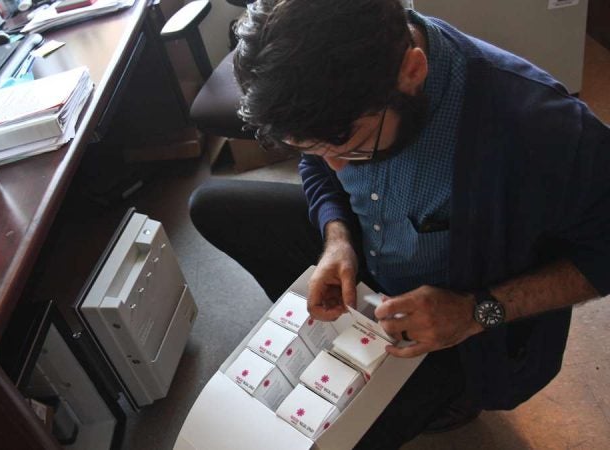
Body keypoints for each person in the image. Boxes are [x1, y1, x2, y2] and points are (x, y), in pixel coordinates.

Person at [189, 0, 610, 447]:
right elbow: (322, 161)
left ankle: (452, 394)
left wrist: (474, 312)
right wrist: (337, 238)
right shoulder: (335, 101)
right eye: (310, 149)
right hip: (373, 264)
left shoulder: (539, 127)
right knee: (213, 206)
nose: (336, 168)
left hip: (456, 324)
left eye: (351, 146)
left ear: (412, 70)